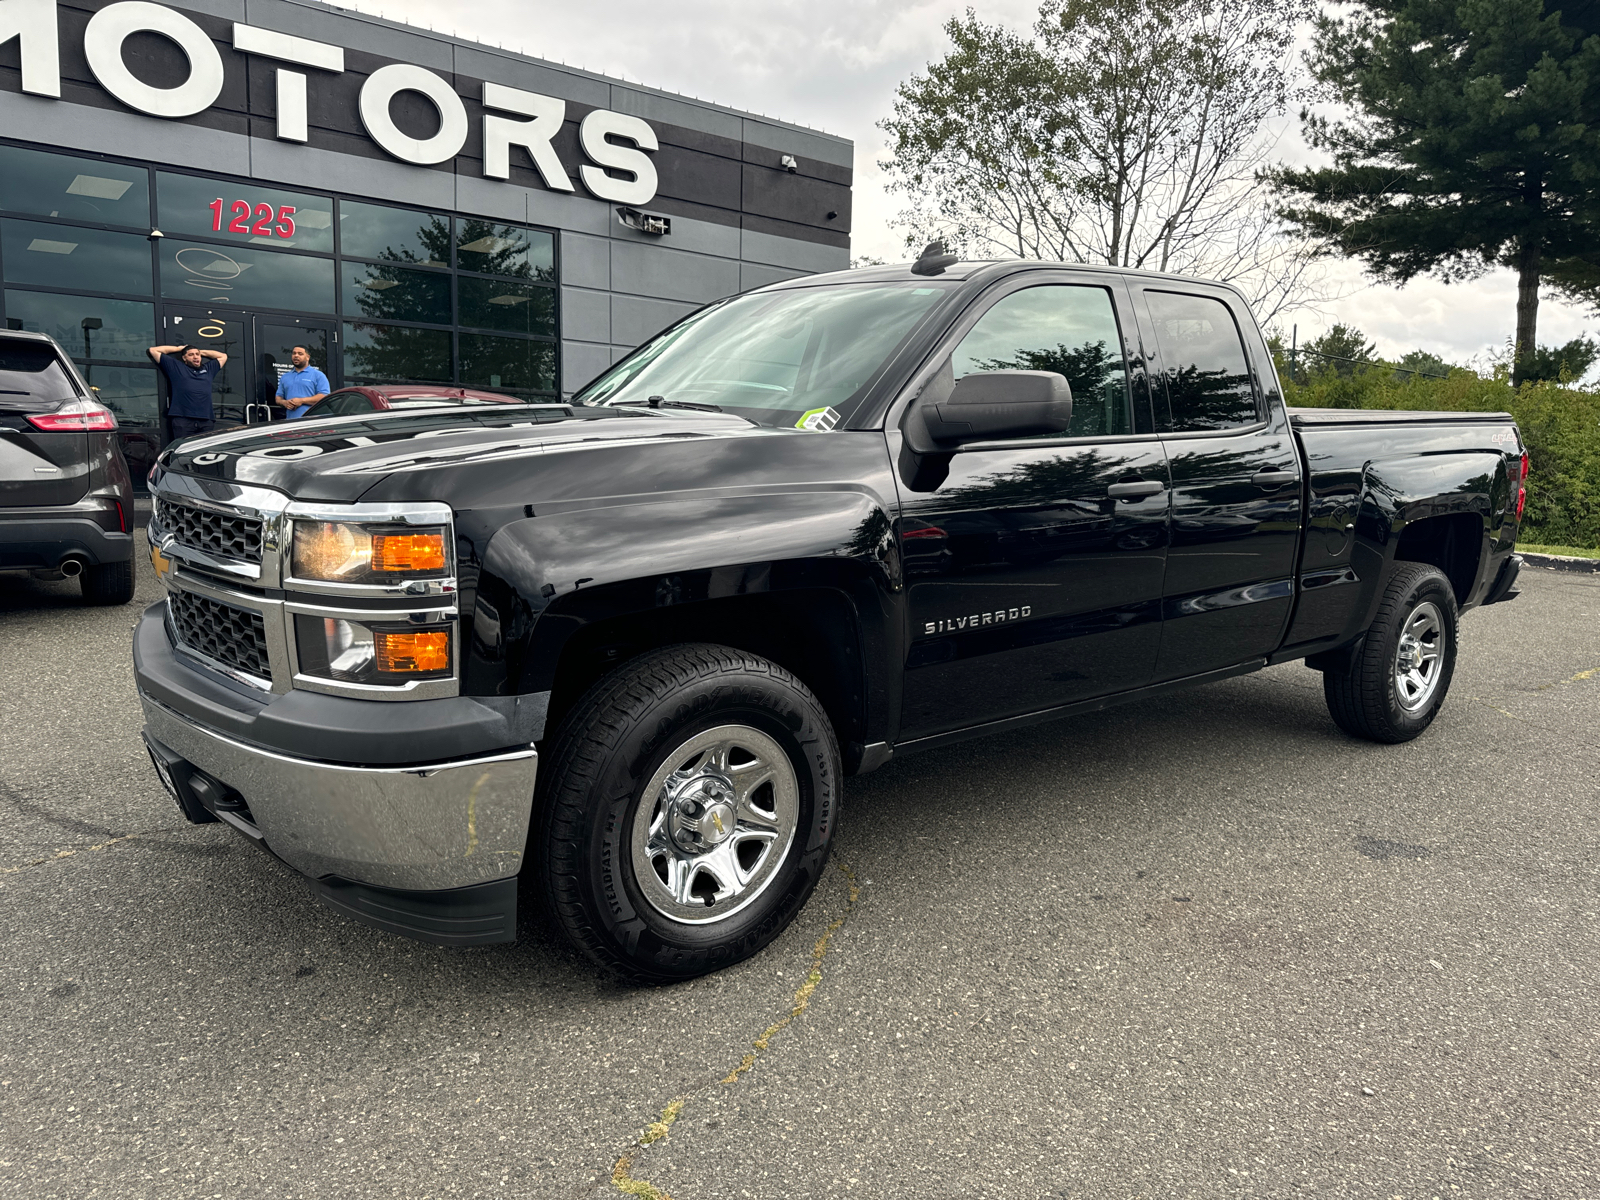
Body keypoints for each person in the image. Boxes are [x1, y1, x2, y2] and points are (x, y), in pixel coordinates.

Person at [148, 342, 227, 440]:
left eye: (197, 355)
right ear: (184, 358)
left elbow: (223, 356)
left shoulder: (208, 369)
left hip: (206, 419)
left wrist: (200, 351)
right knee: (183, 451)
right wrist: (179, 349)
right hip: (183, 419)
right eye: (191, 355)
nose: (195, 357)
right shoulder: (176, 367)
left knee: (203, 452)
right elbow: (153, 350)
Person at [275, 345, 330, 419]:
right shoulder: (285, 377)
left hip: (312, 421)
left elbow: (324, 397)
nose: (296, 356)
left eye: (300, 354)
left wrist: (301, 401)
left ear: (307, 357)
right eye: (294, 353)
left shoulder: (318, 375)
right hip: (291, 421)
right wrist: (284, 403)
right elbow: (278, 398)